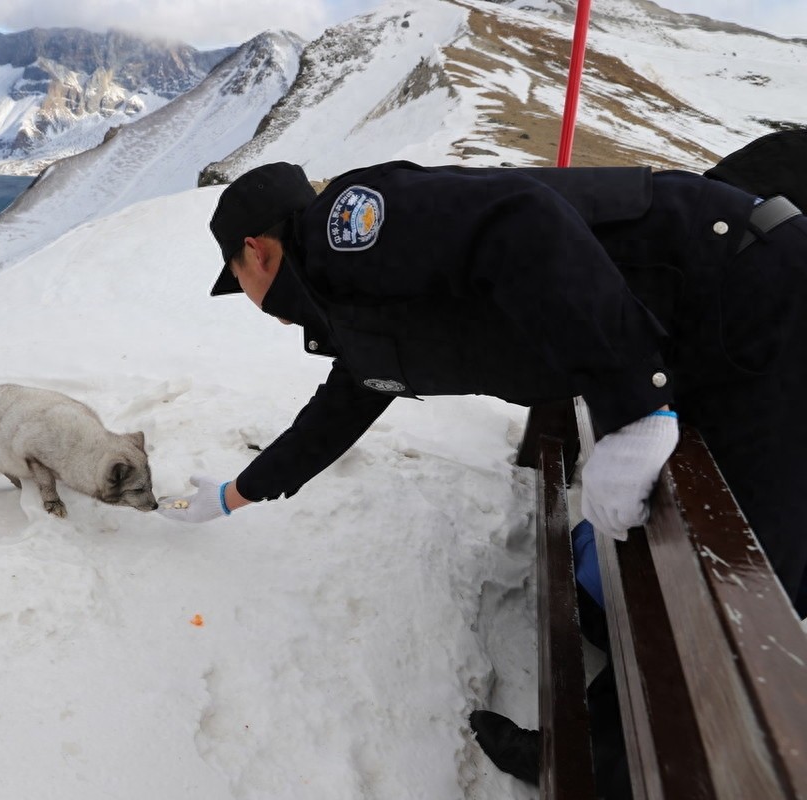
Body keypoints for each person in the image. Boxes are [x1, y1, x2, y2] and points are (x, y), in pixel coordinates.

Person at [155, 156, 807, 797]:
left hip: (749, 292)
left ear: (256, 252)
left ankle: (611, 768)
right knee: (728, 559)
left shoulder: (344, 233)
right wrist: (233, 495)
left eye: (235, 277)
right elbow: (336, 413)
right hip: (698, 325)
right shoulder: (350, 300)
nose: (247, 296)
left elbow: (522, 221)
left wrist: (633, 404)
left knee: (742, 575)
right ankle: (603, 740)